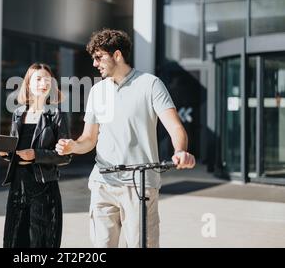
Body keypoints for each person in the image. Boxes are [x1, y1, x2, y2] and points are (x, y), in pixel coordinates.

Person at [56, 29, 195, 248]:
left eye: (99, 57)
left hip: (139, 185)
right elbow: (88, 139)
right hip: (103, 182)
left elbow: (176, 127)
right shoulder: (97, 91)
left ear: (117, 55)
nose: (94, 64)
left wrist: (180, 151)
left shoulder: (150, 84)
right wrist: (73, 145)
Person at [0, 63, 71, 248]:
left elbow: (65, 156)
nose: (43, 83)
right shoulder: (18, 113)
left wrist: (35, 155)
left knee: (41, 242)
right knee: (15, 240)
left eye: (47, 79)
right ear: (28, 84)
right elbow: (14, 150)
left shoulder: (56, 114)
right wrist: (6, 153)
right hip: (18, 187)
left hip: (43, 187)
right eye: (38, 79)